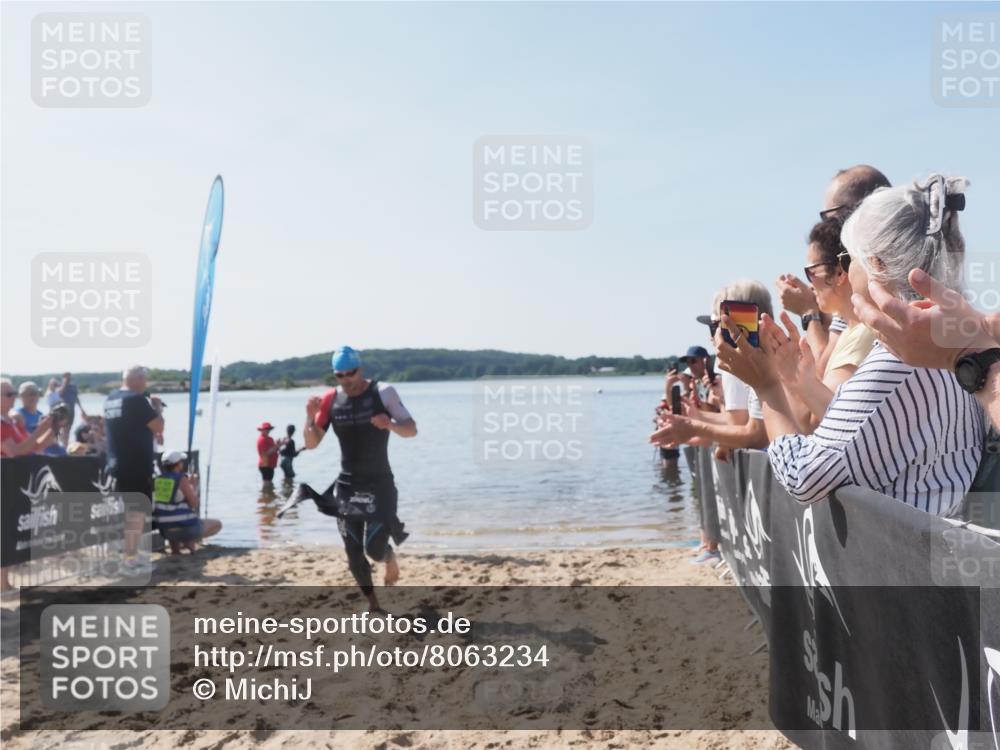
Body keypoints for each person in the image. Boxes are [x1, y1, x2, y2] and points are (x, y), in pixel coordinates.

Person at [717, 174, 987, 515]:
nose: (845, 274)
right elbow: (868, 431)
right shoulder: (950, 335)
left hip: (904, 559)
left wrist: (767, 387)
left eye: (848, 261)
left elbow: (805, 477)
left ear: (875, 264)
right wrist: (797, 380)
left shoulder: (899, 359)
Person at [300, 346, 418, 612]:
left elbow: (411, 429)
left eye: (350, 373)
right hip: (347, 486)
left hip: (379, 484)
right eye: (340, 375)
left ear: (360, 369)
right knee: (354, 556)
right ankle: (374, 605)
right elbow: (312, 443)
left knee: (374, 550)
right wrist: (309, 415)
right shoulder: (330, 399)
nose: (346, 380)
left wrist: (390, 424)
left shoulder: (383, 392)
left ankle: (389, 557)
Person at [776, 165, 891, 375]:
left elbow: (824, 374)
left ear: (858, 212)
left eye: (830, 217)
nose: (828, 226)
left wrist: (808, 313)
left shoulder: (867, 292)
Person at [853, 268, 1000, 432]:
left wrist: (963, 352)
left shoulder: (887, 368)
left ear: (877, 264)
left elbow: (829, 456)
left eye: (845, 259)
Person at [768, 219, 876, 433]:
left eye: (812, 271)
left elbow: (812, 423)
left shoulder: (862, 335)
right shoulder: (850, 332)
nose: (810, 284)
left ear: (839, 273)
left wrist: (770, 375)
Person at [1, 378, 58, 599]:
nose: (13, 397)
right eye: (8, 394)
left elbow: (35, 447)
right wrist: (39, 431)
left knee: (7, 533)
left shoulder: (11, 422)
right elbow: (14, 452)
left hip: (16, 484)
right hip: (4, 483)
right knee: (3, 534)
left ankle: (5, 583)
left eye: (13, 393)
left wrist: (51, 428)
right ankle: (2, 585)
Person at [104, 366, 164, 567]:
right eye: (145, 380)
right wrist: (157, 407)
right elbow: (159, 426)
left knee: (126, 512)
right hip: (135, 464)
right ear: (138, 379)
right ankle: (130, 557)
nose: (146, 384)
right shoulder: (136, 400)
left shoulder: (111, 398)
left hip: (116, 462)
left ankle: (126, 554)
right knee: (136, 513)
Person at [153, 450, 222, 554]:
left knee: (170, 518)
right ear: (179, 464)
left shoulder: (157, 480)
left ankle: (176, 550)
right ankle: (189, 541)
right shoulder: (181, 480)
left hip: (164, 530)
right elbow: (194, 503)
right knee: (217, 524)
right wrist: (193, 486)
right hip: (184, 528)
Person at [58, 372, 87, 446]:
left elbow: (76, 398)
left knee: (68, 429)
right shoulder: (60, 386)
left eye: (69, 377)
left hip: (72, 410)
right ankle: (63, 444)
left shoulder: (73, 387)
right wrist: (65, 384)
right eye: (66, 377)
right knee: (63, 428)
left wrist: (81, 409)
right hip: (64, 410)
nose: (68, 379)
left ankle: (65, 445)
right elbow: (59, 394)